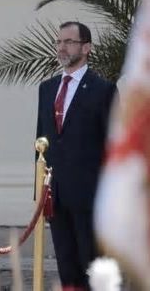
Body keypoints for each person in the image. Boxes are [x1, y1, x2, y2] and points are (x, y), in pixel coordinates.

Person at [36, 21, 117, 290]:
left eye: (68, 42)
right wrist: (41, 191)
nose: (61, 47)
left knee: (93, 268)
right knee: (67, 268)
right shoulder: (47, 89)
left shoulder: (103, 90)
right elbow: (40, 144)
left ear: (86, 48)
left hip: (90, 198)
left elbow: (112, 146)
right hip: (56, 196)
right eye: (58, 42)